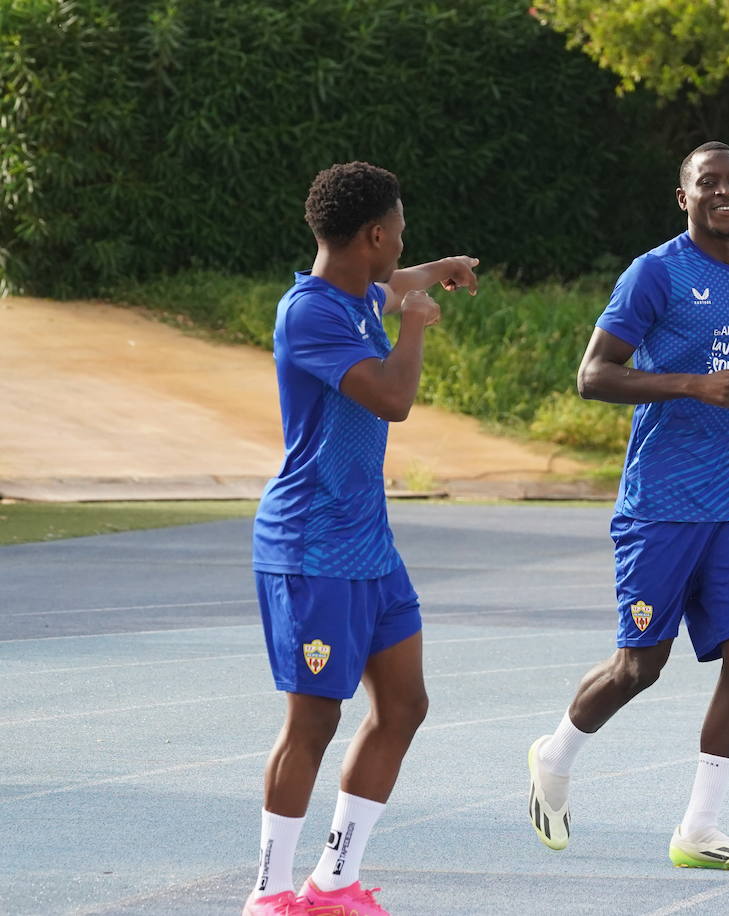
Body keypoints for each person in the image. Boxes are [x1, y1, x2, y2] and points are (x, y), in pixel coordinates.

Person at [526, 141, 729, 871]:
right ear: (684, 197)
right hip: (662, 505)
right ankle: (554, 756)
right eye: (707, 183)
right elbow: (593, 375)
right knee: (639, 667)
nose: (723, 192)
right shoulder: (656, 273)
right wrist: (690, 385)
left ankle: (700, 829)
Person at [244, 161, 478, 916]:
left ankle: (334, 882)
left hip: (368, 547)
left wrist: (428, 272)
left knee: (404, 705)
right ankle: (269, 894)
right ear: (373, 235)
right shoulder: (309, 312)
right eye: (400, 235)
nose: (404, 247)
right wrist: (414, 322)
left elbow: (388, 280)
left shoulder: (355, 291)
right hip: (311, 547)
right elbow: (392, 398)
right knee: (314, 718)